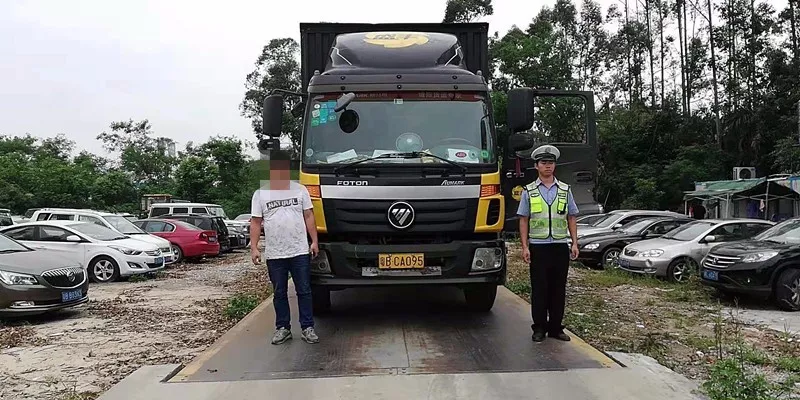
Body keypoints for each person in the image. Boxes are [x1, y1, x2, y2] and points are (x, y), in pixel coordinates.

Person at [250, 149, 320, 345]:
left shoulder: (300, 190)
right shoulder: (261, 194)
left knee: (304, 290)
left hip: (299, 250)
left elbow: (309, 216)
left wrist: (314, 241)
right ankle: (283, 328)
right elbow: (255, 222)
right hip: (275, 253)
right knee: (279, 292)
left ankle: (307, 327)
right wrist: (254, 247)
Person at [516, 144, 580, 343]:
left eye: (551, 163)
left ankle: (555, 328)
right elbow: (524, 220)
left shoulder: (565, 190)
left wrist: (575, 243)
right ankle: (539, 328)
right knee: (539, 289)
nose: (548, 166)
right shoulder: (529, 191)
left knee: (558, 289)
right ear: (536, 166)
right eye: (544, 163)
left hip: (559, 246)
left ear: (555, 165)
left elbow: (571, 217)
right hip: (538, 246)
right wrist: (525, 246)